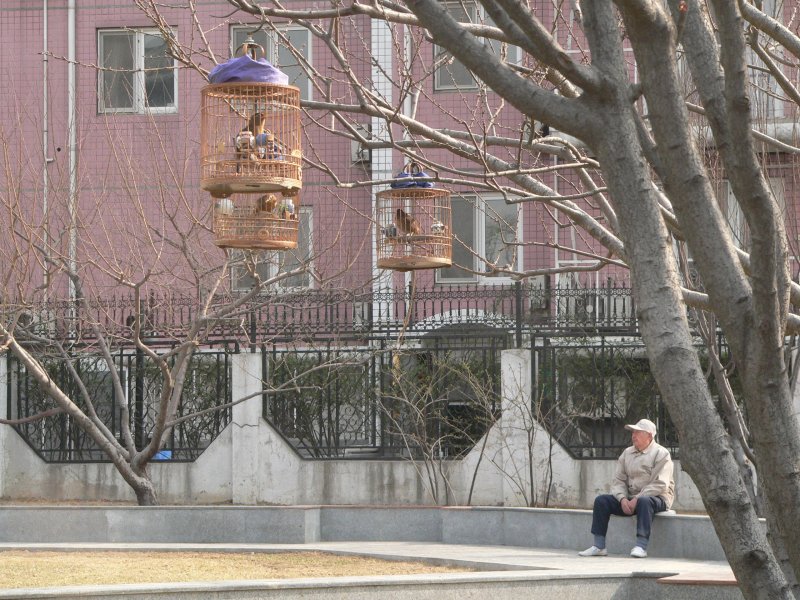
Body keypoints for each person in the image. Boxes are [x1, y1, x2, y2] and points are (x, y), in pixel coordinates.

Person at [578, 418, 675, 558]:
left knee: (644, 501)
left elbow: (660, 484)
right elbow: (618, 480)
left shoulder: (662, 453)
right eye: (633, 432)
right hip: (630, 499)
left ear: (649, 435)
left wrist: (637, 498)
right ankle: (599, 546)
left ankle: (641, 546)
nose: (633, 435)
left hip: (658, 497)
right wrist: (622, 499)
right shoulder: (627, 453)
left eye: (637, 432)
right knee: (601, 501)